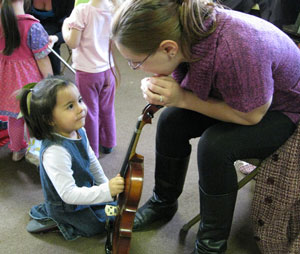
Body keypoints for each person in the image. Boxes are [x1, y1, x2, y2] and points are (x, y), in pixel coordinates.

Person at [110, 0, 300, 253]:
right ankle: (163, 203)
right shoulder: (187, 35)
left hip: (284, 109)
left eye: (136, 62)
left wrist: (182, 98)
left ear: (168, 48)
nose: (137, 68)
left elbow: (252, 116)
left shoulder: (237, 47)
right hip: (240, 92)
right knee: (170, 121)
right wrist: (172, 94)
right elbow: (191, 81)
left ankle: (211, 244)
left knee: (215, 145)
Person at [18, 77, 124, 240]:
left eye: (79, 100)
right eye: (70, 106)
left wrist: (104, 185)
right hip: (68, 206)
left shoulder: (78, 130)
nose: (81, 108)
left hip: (83, 190)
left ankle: (99, 206)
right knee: (97, 225)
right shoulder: (55, 151)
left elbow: (92, 161)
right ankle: (59, 222)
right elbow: (68, 194)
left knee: (114, 206)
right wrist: (106, 190)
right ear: (49, 119)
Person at [62, 0, 117, 158]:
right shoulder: (113, 8)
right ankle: (109, 143)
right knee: (107, 107)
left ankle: (92, 149)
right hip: (109, 68)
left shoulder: (82, 10)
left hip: (88, 71)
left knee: (89, 111)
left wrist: (66, 27)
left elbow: (73, 43)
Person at [0, 0, 53, 162]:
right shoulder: (32, 26)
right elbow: (42, 60)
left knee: (14, 118)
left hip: (7, 81)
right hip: (29, 82)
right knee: (32, 118)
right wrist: (50, 81)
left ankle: (17, 150)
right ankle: (35, 151)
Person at [29, 0, 75, 75]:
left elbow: (72, 27)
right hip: (28, 30)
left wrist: (57, 38)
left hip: (55, 35)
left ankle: (53, 79)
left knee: (50, 50)